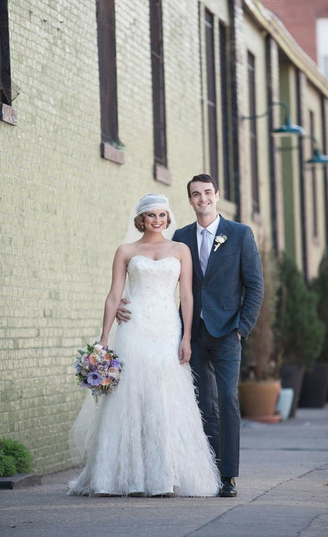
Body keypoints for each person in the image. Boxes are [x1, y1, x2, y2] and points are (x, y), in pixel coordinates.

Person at [118, 176, 264, 498]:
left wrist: (242, 328)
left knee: (227, 399)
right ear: (189, 200)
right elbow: (157, 274)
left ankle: (229, 477)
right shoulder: (180, 237)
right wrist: (125, 304)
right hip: (189, 334)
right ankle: (210, 471)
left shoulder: (240, 234)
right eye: (196, 194)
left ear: (217, 196)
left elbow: (255, 286)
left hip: (228, 333)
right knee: (202, 405)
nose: (203, 198)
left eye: (208, 193)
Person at [68, 193, 221, 497]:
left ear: (168, 217)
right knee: (130, 394)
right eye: (151, 215)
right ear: (141, 219)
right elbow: (114, 295)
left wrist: (187, 336)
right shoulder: (126, 250)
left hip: (167, 329)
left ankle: (163, 477)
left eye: (162, 215)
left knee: (164, 395)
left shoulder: (181, 249)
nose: (158, 220)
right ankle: (121, 477)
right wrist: (103, 337)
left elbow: (187, 296)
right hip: (133, 327)